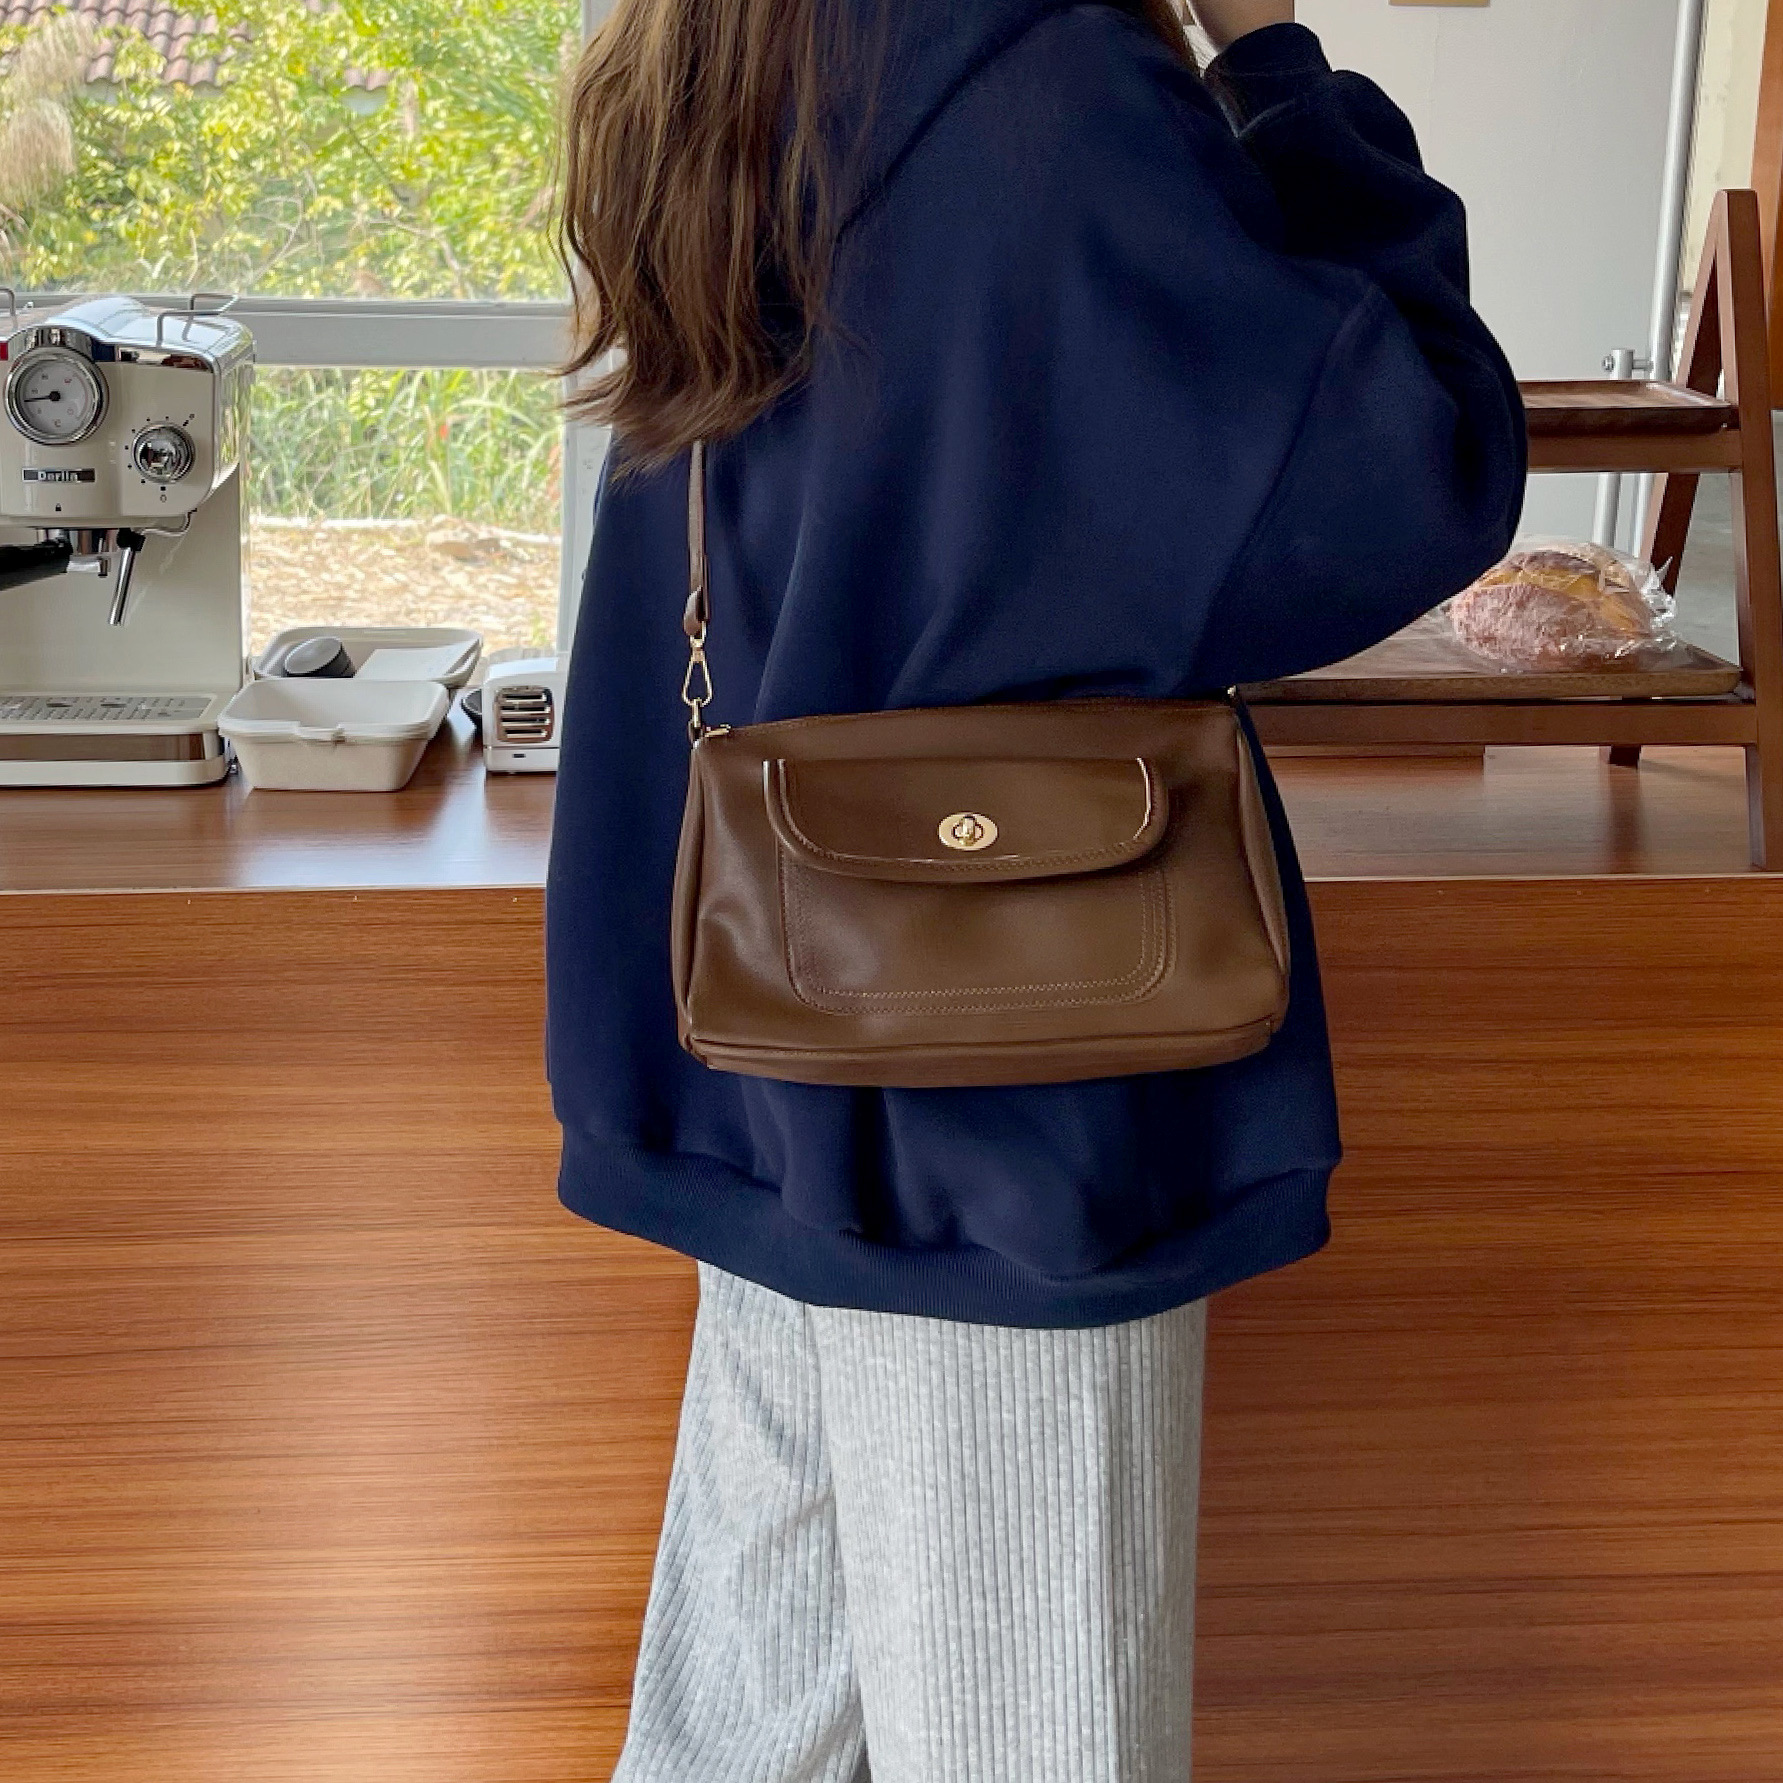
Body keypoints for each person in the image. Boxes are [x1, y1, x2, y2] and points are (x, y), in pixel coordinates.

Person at [546, 0, 1526, 1774]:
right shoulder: (1056, 92)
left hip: (781, 1034)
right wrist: (1273, 56)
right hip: (1008, 1099)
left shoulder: (727, 54)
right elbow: (1411, 467)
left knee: (751, 1736)